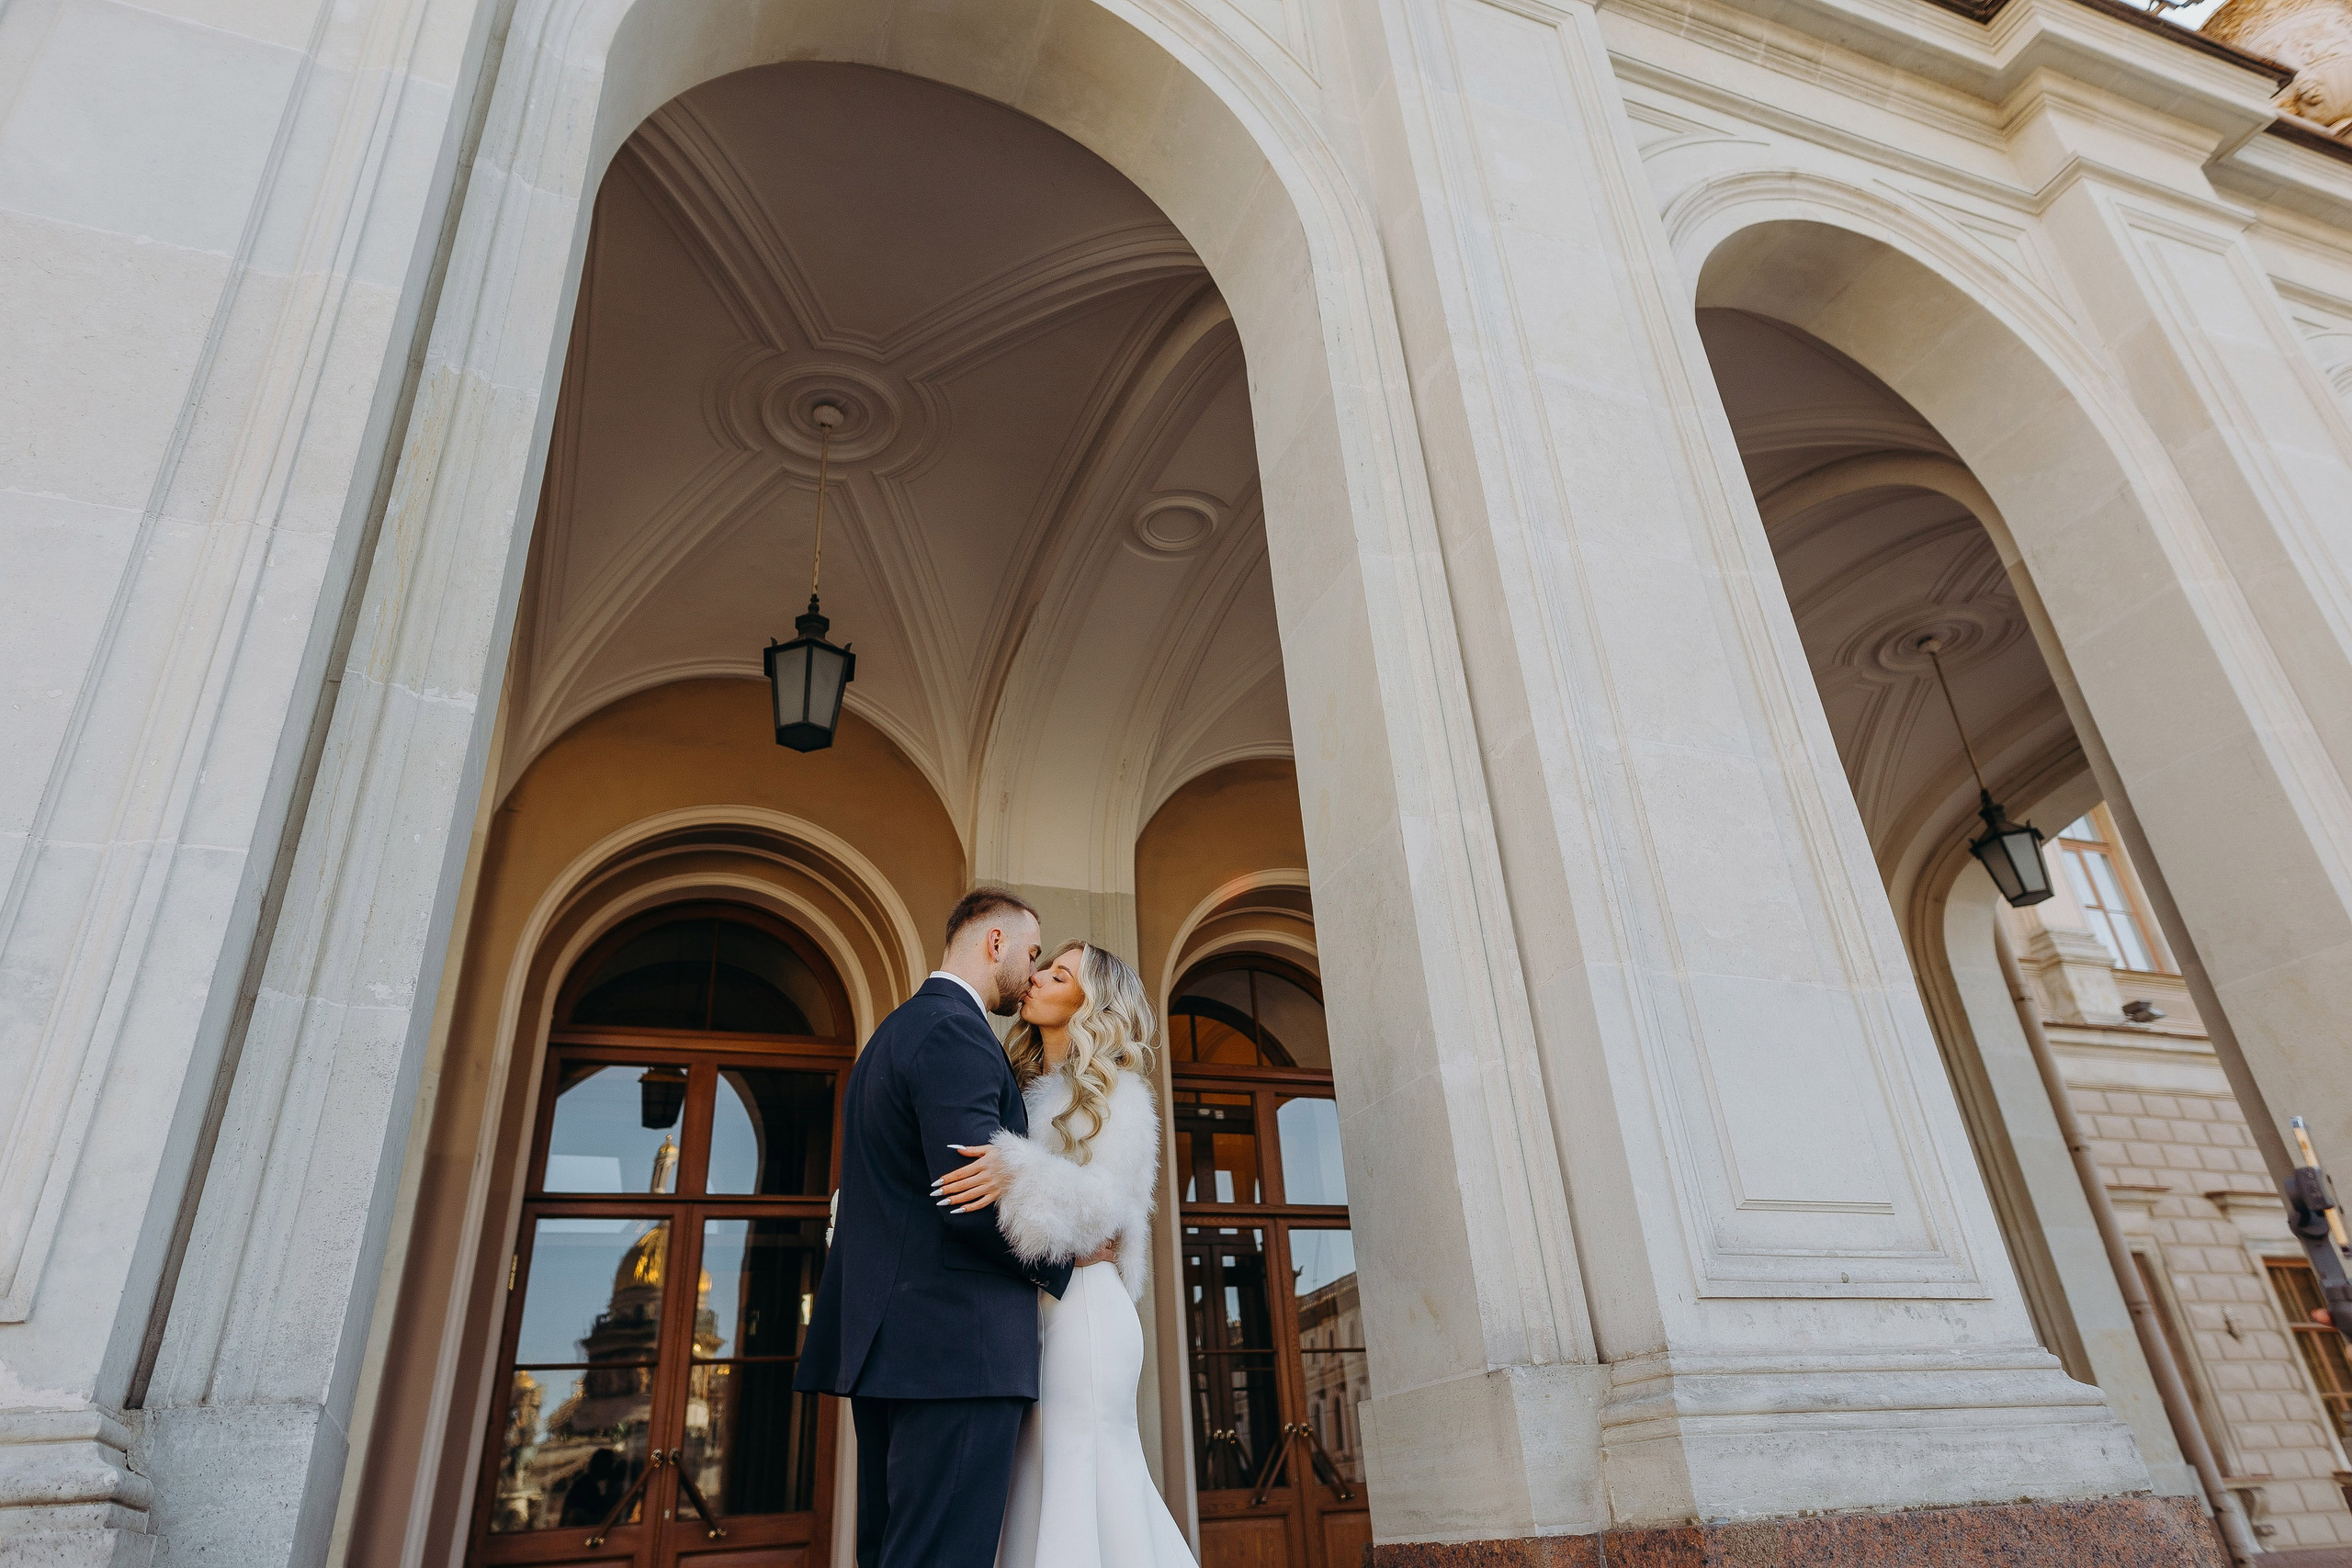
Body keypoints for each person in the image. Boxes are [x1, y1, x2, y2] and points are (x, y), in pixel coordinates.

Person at [794, 889, 1074, 1568]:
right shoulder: (954, 1031)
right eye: (1031, 952)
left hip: (899, 1352)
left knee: (895, 1552)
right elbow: (970, 1195)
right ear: (995, 942)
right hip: (956, 1355)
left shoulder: (892, 1034)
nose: (1031, 969)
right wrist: (1066, 1260)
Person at [934, 940, 1198, 1568]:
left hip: (1086, 1314)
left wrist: (1016, 1171)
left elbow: (1102, 1210)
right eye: (1045, 966)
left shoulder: (1120, 1092)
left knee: (1084, 1469)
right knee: (1040, 1473)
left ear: (1091, 1002)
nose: (1038, 979)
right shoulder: (1021, 1088)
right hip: (1035, 1310)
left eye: (1060, 975)